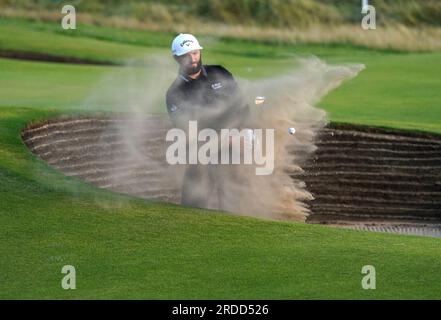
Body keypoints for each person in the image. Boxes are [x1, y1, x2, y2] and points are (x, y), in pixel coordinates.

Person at [165, 33, 250, 210]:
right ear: (176, 58)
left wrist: (238, 133)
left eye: (195, 53)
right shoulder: (175, 93)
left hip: (232, 149)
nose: (193, 59)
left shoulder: (219, 73)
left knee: (233, 204)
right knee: (192, 207)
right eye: (186, 55)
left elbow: (241, 107)